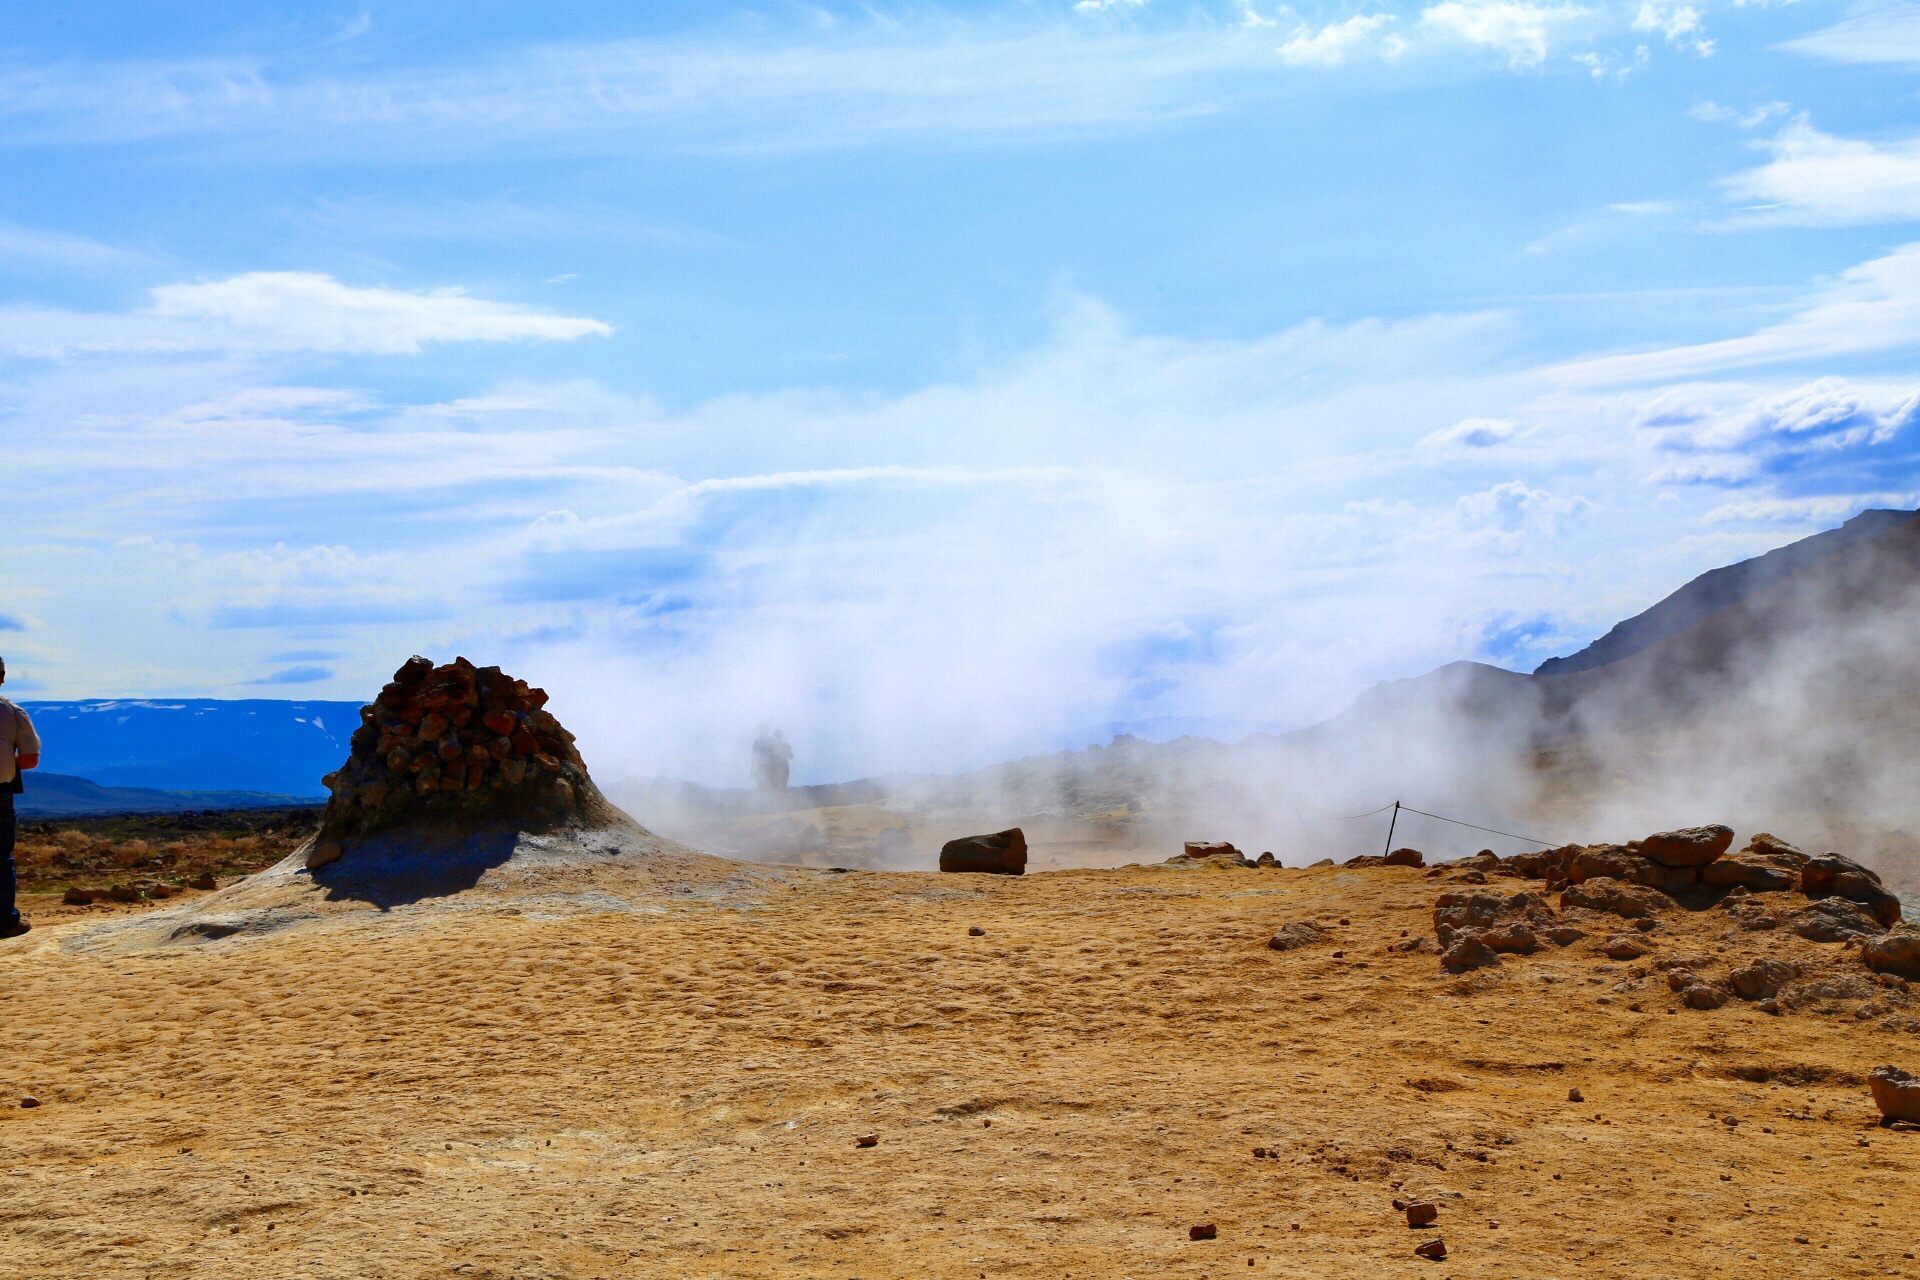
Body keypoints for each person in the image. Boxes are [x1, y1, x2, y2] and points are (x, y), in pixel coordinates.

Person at [0, 656, 42, 939]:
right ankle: (5, 921)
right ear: (2, 676)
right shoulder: (13, 712)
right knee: (0, 857)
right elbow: (28, 760)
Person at [751, 727, 793, 792]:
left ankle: (777, 799)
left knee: (778, 787)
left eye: (778, 735)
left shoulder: (784, 746)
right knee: (772, 787)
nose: (778, 737)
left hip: (780, 769)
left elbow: (790, 756)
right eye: (776, 735)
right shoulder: (771, 745)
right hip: (772, 770)